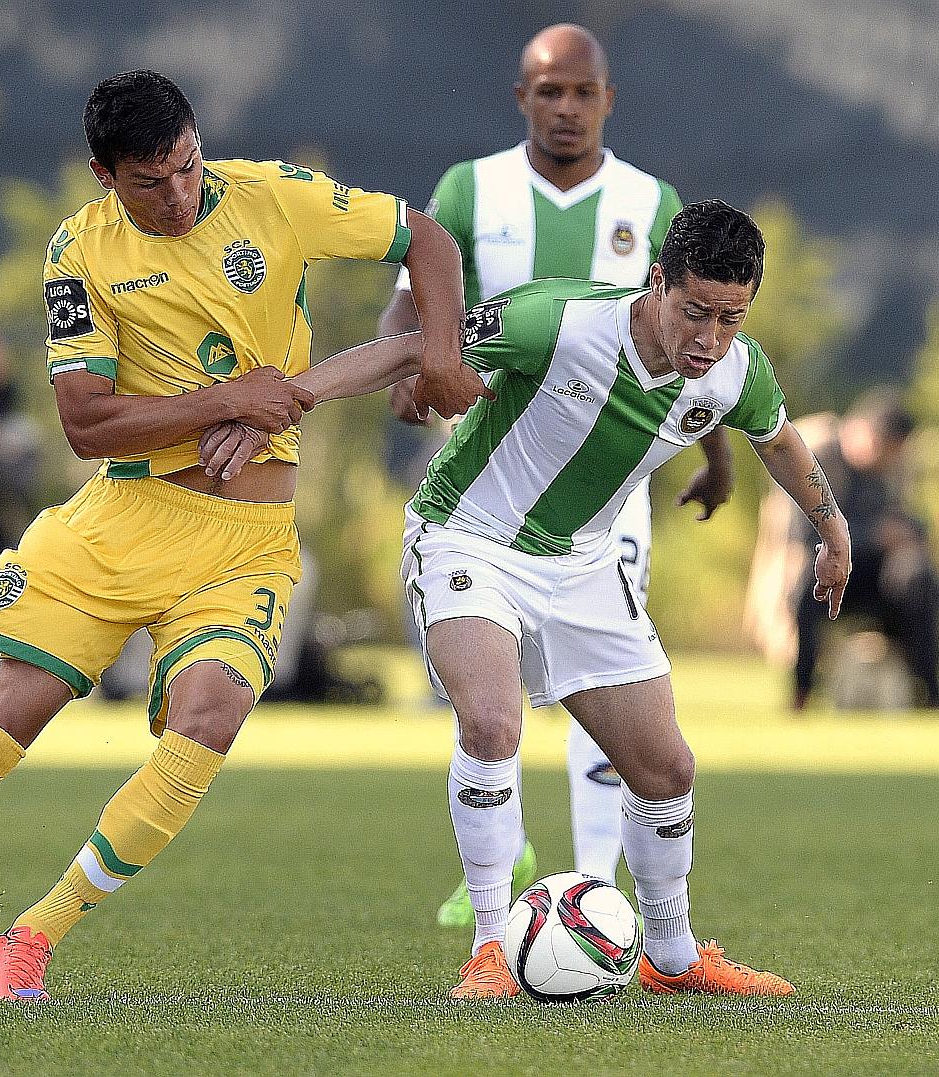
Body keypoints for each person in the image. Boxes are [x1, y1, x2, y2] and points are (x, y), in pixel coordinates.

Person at [0, 68, 484, 1001]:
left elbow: (426, 236)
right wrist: (233, 398)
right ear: (105, 175)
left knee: (210, 716)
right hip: (122, 519)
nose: (179, 193)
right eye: (152, 181)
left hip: (245, 540)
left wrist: (438, 353)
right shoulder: (79, 252)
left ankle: (33, 933)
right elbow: (87, 422)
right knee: (0, 724)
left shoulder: (272, 197)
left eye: (187, 166)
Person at [386, 200, 849, 998]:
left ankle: (671, 959)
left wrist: (832, 525)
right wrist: (290, 398)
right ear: (658, 281)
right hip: (470, 536)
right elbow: (411, 348)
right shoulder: (556, 320)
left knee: (666, 768)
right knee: (494, 722)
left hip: (584, 564)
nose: (710, 338)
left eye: (730, 319)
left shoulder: (738, 367)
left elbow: (775, 437)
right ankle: (492, 948)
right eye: (696, 311)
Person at [377, 24, 734, 926]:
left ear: (609, 99)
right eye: (549, 91)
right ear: (522, 98)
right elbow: (412, 294)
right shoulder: (472, 187)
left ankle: (593, 888)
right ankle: (503, 870)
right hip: (486, 473)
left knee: (602, 684)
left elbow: (700, 345)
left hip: (608, 496)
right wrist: (401, 365)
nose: (566, 108)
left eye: (582, 92)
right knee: (485, 690)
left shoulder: (650, 200)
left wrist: (715, 457)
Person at [776, 393, 939, 710]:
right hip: (829, 572)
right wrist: (873, 535)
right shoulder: (818, 461)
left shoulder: (894, 471)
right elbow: (803, 533)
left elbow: (916, 524)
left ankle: (931, 693)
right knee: (805, 592)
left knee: (920, 582)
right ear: (863, 431)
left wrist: (906, 535)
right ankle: (801, 693)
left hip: (877, 579)